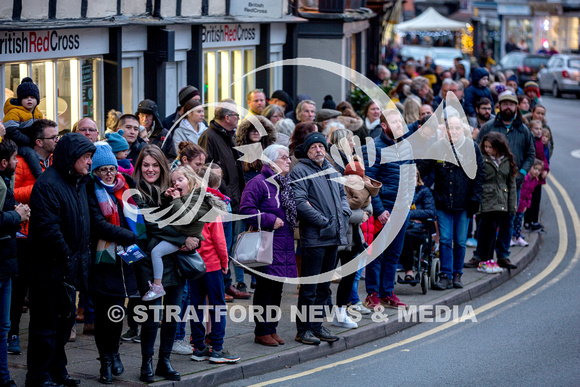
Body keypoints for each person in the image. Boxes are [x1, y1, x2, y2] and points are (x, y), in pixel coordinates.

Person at [26, 133, 96, 387]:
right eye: (86, 157)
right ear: (71, 157)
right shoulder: (48, 184)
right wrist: (67, 257)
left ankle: (57, 371)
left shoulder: (79, 182)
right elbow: (48, 228)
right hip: (49, 269)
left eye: (90, 157)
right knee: (45, 327)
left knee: (64, 325)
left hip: (70, 268)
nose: (89, 163)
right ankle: (38, 377)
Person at [131, 145, 200, 383]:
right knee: (151, 316)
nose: (150, 170)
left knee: (173, 314)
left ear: (162, 167)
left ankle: (165, 361)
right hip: (150, 264)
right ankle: (146, 364)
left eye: (155, 165)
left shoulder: (173, 189)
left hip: (176, 264)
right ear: (139, 167)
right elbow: (153, 225)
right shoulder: (136, 193)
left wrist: (193, 237)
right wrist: (183, 238)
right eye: (145, 165)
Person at [86, 144, 145, 384]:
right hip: (103, 263)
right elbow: (98, 224)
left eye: (112, 168)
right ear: (95, 172)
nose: (109, 173)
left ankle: (114, 353)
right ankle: (106, 360)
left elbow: (139, 216)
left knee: (116, 312)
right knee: (103, 316)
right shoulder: (90, 190)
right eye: (103, 170)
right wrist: (128, 236)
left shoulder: (125, 186)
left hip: (125, 262)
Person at [290, 132, 351, 345]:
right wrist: (323, 221)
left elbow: (343, 196)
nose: (318, 150)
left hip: (333, 237)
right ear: (307, 151)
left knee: (324, 287)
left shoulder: (330, 169)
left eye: (321, 146)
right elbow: (299, 202)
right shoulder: (300, 170)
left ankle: (316, 326)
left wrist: (344, 214)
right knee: (310, 287)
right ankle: (303, 330)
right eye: (314, 147)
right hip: (315, 238)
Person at [419, 108, 485, 289]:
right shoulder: (437, 147)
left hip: (465, 204)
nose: (454, 132)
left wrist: (475, 198)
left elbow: (480, 175)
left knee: (461, 241)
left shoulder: (472, 148)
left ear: (463, 130)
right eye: (450, 128)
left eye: (457, 128)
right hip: (442, 203)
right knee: (446, 240)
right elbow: (422, 170)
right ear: (445, 130)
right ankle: (446, 275)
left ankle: (458, 275)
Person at [239, 144, 298, 346]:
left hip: (284, 243)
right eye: (284, 157)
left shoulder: (284, 182)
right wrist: (268, 219)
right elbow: (245, 210)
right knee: (265, 289)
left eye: (288, 157)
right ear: (271, 162)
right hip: (267, 243)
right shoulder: (258, 183)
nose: (288, 160)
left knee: (277, 289)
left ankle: (272, 329)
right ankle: (261, 331)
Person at [471, 93, 535, 270]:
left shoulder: (523, 129)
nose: (508, 107)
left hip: (513, 183)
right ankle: (480, 256)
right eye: (504, 104)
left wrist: (521, 172)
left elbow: (531, 154)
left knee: (508, 218)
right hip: (489, 185)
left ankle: (503, 255)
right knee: (485, 221)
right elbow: (477, 149)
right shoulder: (489, 127)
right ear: (499, 106)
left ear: (516, 107)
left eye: (511, 104)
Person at [8, 120, 56, 356]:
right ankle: (13, 333)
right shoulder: (22, 162)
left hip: (46, 232)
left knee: (41, 287)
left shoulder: (55, 162)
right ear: (39, 142)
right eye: (53, 137)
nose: (57, 141)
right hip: (22, 235)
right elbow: (11, 195)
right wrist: (40, 187)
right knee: (18, 288)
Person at [362, 109, 412, 309]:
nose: (400, 126)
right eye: (395, 123)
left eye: (401, 122)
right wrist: (380, 210)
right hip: (382, 209)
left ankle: (387, 293)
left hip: (402, 209)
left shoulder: (407, 146)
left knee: (394, 254)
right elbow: (370, 182)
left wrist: (408, 202)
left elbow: (410, 176)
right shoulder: (374, 147)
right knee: (377, 254)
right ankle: (372, 294)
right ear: (383, 126)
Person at [142, 165, 212, 301]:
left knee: (156, 252)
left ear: (190, 180)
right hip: (178, 235)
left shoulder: (200, 199)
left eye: (180, 180)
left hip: (183, 235)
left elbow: (185, 217)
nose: (176, 184)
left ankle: (157, 286)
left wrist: (175, 200)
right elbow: (167, 213)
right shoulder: (184, 197)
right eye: (173, 182)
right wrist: (167, 197)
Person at [335, 159, 381, 328]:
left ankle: (341, 311)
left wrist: (358, 212)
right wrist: (358, 214)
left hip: (354, 237)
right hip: (338, 236)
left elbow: (367, 210)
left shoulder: (362, 187)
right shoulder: (341, 184)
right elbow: (338, 209)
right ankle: (328, 314)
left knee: (349, 276)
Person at [0, 139, 29, 387]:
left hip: (6, 261)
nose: (17, 162)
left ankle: (4, 377)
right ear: (3, 163)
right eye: (13, 159)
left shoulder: (5, 181)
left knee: (4, 325)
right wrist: (16, 215)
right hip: (2, 261)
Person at [476, 132, 517, 273]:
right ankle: (484, 261)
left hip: (501, 201)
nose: (487, 149)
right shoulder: (481, 159)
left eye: (490, 147)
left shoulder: (507, 160)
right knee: (488, 231)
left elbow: (511, 184)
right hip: (487, 200)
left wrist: (512, 205)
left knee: (494, 231)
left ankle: (490, 260)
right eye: (485, 146)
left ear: (498, 147)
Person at [2, 77, 44, 179]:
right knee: (30, 154)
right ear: (20, 100)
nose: (29, 99)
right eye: (25, 98)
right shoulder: (14, 112)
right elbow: (11, 132)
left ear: (37, 100)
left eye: (32, 97)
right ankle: (40, 176)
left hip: (31, 142)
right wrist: (29, 141)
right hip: (17, 144)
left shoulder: (38, 113)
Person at [398, 171, 436, 282]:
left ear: (417, 177)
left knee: (406, 235)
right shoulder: (401, 193)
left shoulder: (424, 191)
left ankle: (408, 271)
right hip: (404, 227)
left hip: (420, 229)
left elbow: (430, 212)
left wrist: (409, 214)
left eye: (413, 176)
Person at [524, 120, 549, 232]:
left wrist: (545, 170)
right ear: (530, 129)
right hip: (531, 175)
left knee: (536, 199)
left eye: (540, 129)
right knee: (529, 198)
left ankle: (534, 221)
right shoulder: (530, 141)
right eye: (536, 129)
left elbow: (544, 158)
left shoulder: (540, 141)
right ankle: (528, 221)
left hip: (538, 176)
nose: (539, 131)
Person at [235, 115, 277, 183]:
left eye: (259, 130)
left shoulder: (270, 150)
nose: (256, 133)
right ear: (246, 132)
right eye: (252, 130)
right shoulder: (238, 150)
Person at [512, 159, 543, 247]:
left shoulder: (535, 181)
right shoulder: (525, 178)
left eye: (539, 170)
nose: (537, 171)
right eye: (535, 168)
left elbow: (530, 194)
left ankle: (517, 237)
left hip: (523, 206)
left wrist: (526, 205)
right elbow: (520, 193)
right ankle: (510, 238)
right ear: (530, 168)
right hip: (517, 203)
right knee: (512, 221)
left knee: (519, 221)